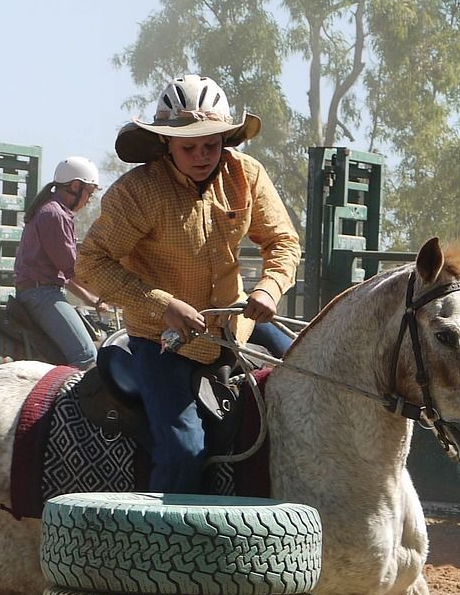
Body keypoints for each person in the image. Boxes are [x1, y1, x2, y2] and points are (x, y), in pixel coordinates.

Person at [75, 75, 302, 494]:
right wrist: (164, 305)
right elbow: (89, 263)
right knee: (184, 450)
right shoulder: (137, 193)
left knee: (316, 391)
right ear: (166, 144)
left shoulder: (246, 174)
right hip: (161, 340)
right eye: (189, 147)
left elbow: (283, 241)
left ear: (225, 139)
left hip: (238, 325)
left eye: (211, 145)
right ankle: (157, 548)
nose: (202, 155)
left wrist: (269, 288)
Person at [13, 156, 110, 369]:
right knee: (87, 356)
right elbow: (74, 269)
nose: (88, 200)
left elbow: (63, 272)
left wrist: (91, 298)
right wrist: (114, 290)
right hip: (43, 296)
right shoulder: (56, 215)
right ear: (75, 186)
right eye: (89, 194)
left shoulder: (49, 209)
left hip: (39, 292)